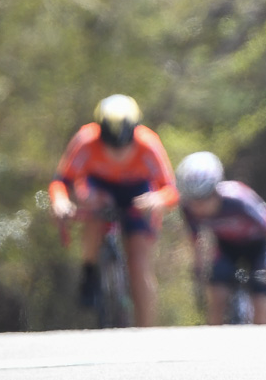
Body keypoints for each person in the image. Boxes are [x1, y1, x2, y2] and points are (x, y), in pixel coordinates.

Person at [48, 94, 179, 327]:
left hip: (137, 193)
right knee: (94, 204)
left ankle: (146, 329)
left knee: (139, 264)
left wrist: (157, 199)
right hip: (99, 188)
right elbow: (61, 181)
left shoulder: (149, 144)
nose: (117, 153)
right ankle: (89, 268)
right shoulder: (85, 141)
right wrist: (60, 202)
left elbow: (170, 190)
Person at [176, 151, 266, 325]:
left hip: (259, 246)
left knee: (261, 296)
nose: (197, 207)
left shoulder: (238, 199)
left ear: (215, 191)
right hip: (227, 246)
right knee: (217, 294)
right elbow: (196, 240)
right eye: (192, 201)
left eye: (203, 200)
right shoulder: (187, 209)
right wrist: (199, 272)